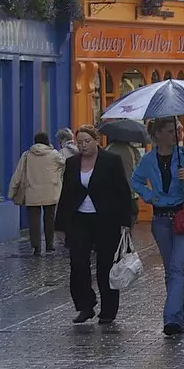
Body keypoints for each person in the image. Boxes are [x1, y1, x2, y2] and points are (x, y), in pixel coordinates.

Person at [130, 117, 184, 337]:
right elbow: (136, 181)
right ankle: (179, 317)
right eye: (171, 131)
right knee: (170, 270)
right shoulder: (149, 159)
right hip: (161, 220)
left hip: (183, 219)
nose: (177, 134)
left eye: (178, 130)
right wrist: (149, 195)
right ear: (159, 135)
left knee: (176, 268)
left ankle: (170, 318)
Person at [57, 125, 135, 325]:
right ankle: (85, 306)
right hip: (80, 219)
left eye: (87, 141)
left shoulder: (111, 161)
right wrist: (60, 225)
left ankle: (108, 310)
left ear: (96, 140)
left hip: (106, 219)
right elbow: (66, 194)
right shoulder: (72, 163)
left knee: (105, 265)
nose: (83, 145)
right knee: (78, 263)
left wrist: (127, 221)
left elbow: (123, 192)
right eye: (80, 141)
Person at [7, 132, 66, 256]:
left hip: (31, 191)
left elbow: (18, 175)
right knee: (49, 219)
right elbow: (64, 165)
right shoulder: (54, 154)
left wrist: (11, 192)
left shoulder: (27, 155)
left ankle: (36, 247)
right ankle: (49, 245)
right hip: (51, 192)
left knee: (33, 221)